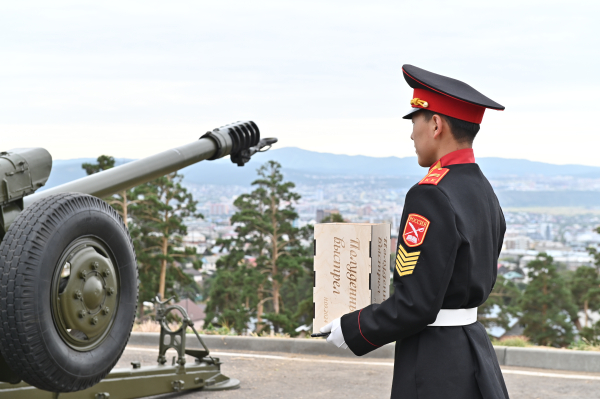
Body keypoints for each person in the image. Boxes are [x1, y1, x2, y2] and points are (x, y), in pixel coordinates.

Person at [321, 64, 509, 399]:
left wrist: (350, 327)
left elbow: (416, 304)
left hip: (435, 365)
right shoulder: (482, 188)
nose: (411, 134)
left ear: (435, 124)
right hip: (475, 351)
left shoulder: (430, 194)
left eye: (415, 121)